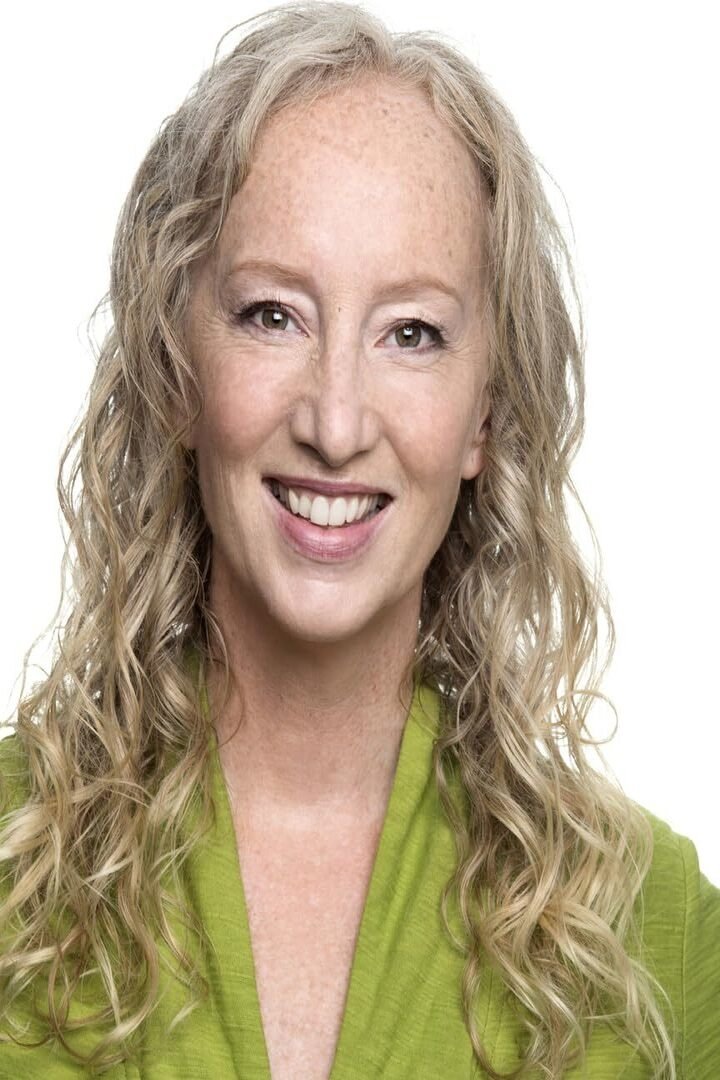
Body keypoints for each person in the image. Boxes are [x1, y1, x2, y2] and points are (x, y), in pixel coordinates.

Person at [1, 1, 718, 1077]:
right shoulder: (9, 863)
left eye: (411, 333)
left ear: (484, 415)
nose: (336, 424)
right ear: (176, 371)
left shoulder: (649, 927)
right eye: (272, 315)